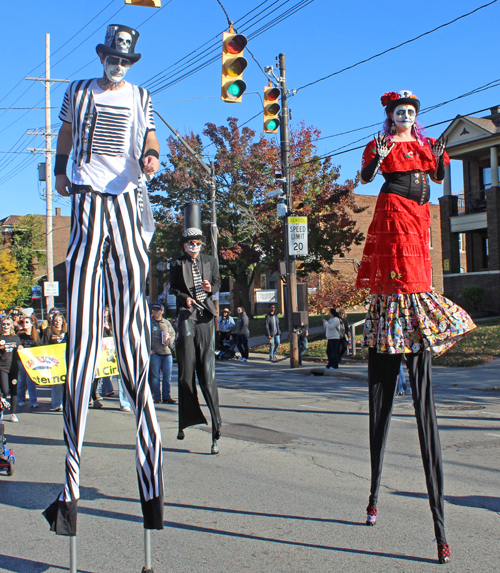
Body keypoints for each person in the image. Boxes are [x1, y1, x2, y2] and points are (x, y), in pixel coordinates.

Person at [43, 24, 164, 536]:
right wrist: (57, 168)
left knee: (135, 340)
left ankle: (152, 494)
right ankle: (69, 489)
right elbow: (67, 135)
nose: (118, 65)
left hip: (127, 206)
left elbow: (151, 133)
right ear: (102, 57)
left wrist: (152, 155)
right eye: (113, 58)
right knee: (84, 341)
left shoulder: (140, 96)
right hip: (89, 203)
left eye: (126, 59)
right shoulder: (77, 91)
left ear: (132, 63)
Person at [356, 90, 476, 565]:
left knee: (419, 275)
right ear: (388, 116)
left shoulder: (425, 145)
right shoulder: (380, 144)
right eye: (398, 112)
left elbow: (441, 175)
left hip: (419, 218)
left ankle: (436, 525)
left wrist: (443, 153)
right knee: (400, 277)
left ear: (415, 117)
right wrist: (378, 159)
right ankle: (372, 494)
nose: (405, 117)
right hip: (393, 216)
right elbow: (366, 176)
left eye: (410, 112)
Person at [169, 202, 222, 455]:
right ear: (184, 245)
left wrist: (212, 288)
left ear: (201, 244)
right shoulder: (176, 263)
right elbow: (173, 288)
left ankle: (216, 428)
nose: (194, 246)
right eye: (190, 243)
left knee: (208, 375)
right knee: (185, 373)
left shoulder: (210, 261)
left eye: (198, 242)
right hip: (187, 316)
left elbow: (218, 281)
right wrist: (184, 298)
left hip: (206, 317)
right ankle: (185, 422)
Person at [150, 302, 176, 404]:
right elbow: (144, 336)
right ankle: (157, 396)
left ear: (162, 311)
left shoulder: (166, 323)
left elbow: (172, 333)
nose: (155, 312)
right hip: (155, 352)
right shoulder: (149, 322)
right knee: (155, 376)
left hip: (166, 352)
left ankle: (167, 396)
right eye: (153, 310)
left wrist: (169, 341)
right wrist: (148, 349)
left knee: (167, 376)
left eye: (157, 310)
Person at [41, 312, 67, 412]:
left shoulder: (67, 331)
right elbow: (45, 344)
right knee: (57, 383)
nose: (57, 322)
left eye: (59, 320)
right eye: (55, 321)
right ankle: (57, 403)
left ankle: (66, 402)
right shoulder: (49, 331)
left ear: (62, 321)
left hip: (66, 359)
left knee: (67, 383)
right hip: (54, 361)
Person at [17, 314, 40, 409]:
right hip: (21, 360)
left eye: (27, 322)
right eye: (23, 322)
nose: (25, 324)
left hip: (32, 361)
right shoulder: (19, 335)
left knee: (31, 382)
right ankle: (20, 399)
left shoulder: (36, 335)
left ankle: (33, 401)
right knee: (21, 381)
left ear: (31, 324)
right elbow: (16, 345)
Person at [0, 318, 21, 422]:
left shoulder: (15, 338)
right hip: (2, 367)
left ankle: (13, 413)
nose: (5, 326)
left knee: (14, 391)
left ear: (11, 325)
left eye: (8, 324)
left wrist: (21, 348)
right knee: (4, 390)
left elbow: (20, 351)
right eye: (3, 324)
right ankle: (1, 409)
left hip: (13, 367)